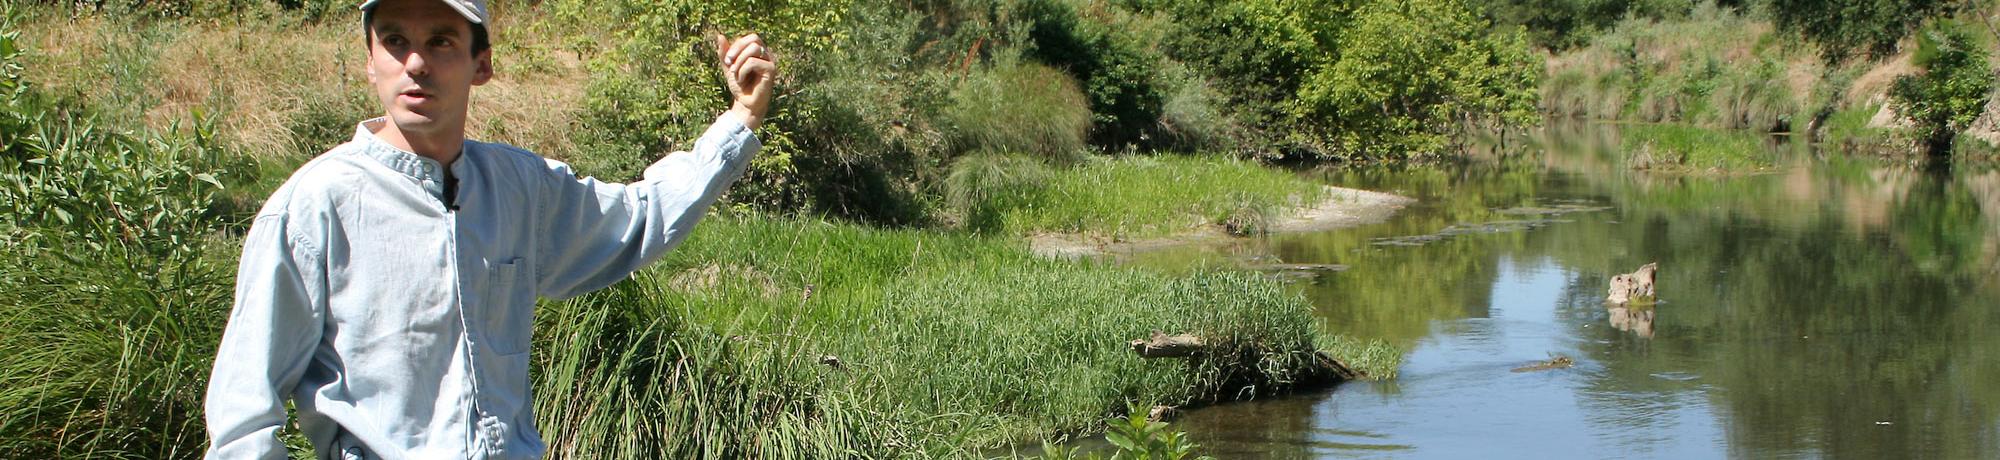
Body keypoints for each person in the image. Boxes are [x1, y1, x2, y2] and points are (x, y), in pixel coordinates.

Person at [202, 0, 777, 458]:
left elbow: (639, 215)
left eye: (441, 41)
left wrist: (741, 119)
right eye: (395, 40)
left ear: (482, 64)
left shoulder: (518, 189)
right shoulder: (313, 206)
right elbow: (243, 419)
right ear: (368, 59)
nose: (416, 63)